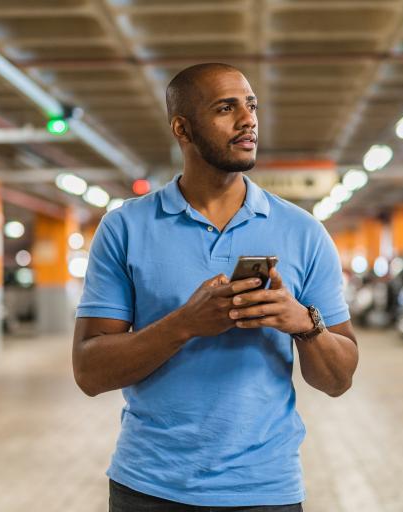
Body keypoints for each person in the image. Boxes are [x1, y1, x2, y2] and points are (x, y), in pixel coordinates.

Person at [72, 63, 359, 511]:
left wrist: (303, 323)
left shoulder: (303, 231)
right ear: (182, 129)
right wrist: (184, 324)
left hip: (266, 491)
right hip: (149, 489)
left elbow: (339, 380)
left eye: (251, 106)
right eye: (226, 108)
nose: (248, 120)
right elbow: (89, 373)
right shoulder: (125, 227)